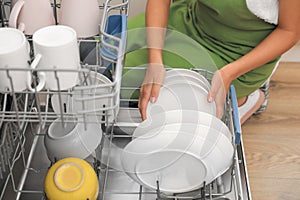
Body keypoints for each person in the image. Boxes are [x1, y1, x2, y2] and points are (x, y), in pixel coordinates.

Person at [123, 0, 300, 123]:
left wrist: (228, 73)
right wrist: (155, 61)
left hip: (237, 54)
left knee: (168, 106)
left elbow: (289, 31)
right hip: (192, 20)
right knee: (115, 60)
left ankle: (243, 100)